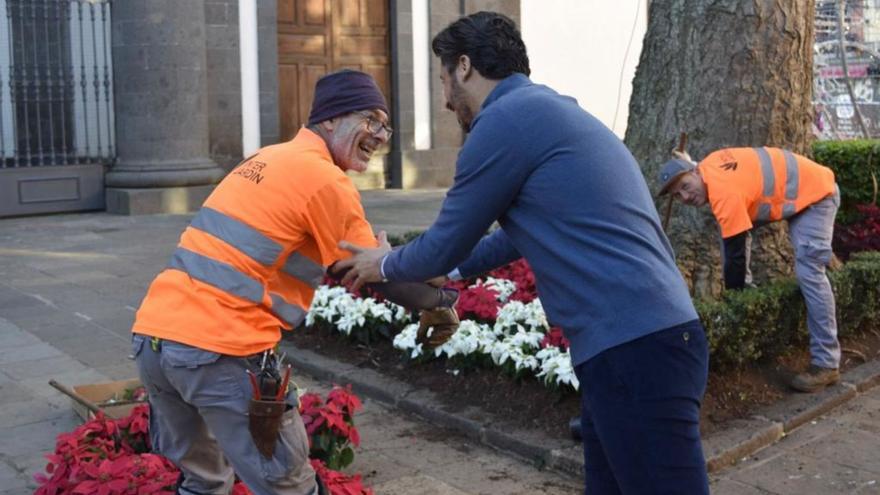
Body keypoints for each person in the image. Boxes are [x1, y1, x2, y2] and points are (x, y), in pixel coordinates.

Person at [334, 12, 711, 494]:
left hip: (635, 349)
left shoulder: (503, 123)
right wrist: (450, 269)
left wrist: (383, 263)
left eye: (443, 80)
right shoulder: (544, 111)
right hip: (640, 343)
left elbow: (445, 240)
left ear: (464, 66)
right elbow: (514, 236)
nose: (445, 100)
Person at [129, 70, 457, 495]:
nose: (380, 135)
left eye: (385, 126)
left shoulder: (266, 158)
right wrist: (439, 300)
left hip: (154, 340)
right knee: (289, 487)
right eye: (371, 120)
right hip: (219, 349)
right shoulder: (324, 179)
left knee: (203, 482)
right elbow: (377, 273)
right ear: (330, 119)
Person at [658, 147, 841, 393]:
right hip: (795, 190)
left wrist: (736, 303)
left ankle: (827, 362)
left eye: (685, 186)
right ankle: (748, 288)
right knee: (731, 229)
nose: (685, 197)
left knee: (810, 272)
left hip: (818, 196)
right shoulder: (709, 165)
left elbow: (735, 255)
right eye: (677, 195)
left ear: (696, 172)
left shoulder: (724, 193)